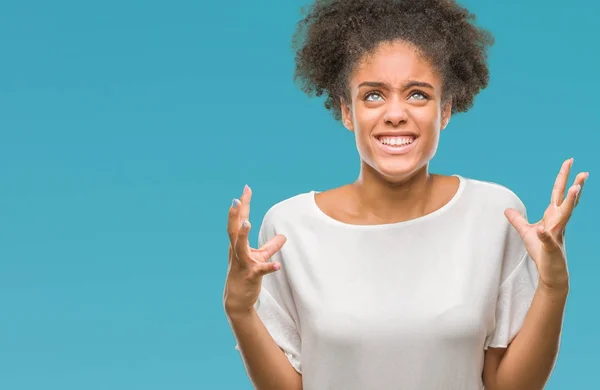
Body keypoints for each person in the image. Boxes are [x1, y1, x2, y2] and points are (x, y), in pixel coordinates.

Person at [223, 0, 589, 389]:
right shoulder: (289, 229)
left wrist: (554, 287)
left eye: (417, 94)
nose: (395, 113)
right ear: (347, 112)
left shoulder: (496, 214)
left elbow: (509, 387)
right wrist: (240, 309)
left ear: (445, 110)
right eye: (373, 96)